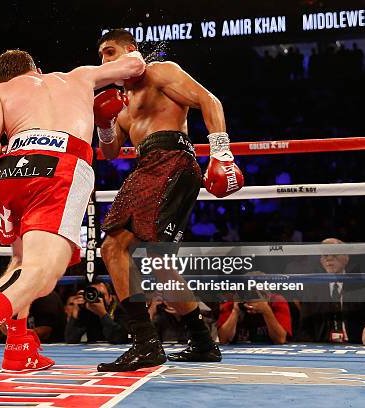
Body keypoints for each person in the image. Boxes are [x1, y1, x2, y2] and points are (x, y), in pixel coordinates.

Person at [0, 48, 145, 396]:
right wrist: (128, 57)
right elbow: (134, 64)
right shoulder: (77, 75)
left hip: (9, 170)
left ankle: (18, 347)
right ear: (37, 68)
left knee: (22, 260)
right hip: (61, 164)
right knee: (46, 271)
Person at [93, 29, 244, 371]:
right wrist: (103, 122)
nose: (104, 61)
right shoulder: (122, 103)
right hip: (149, 164)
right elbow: (111, 151)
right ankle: (203, 342)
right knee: (160, 261)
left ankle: (145, 344)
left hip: (170, 158)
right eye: (101, 55)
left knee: (113, 248)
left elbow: (210, 100)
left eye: (110, 51)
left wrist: (221, 153)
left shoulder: (160, 71)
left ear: (131, 51)